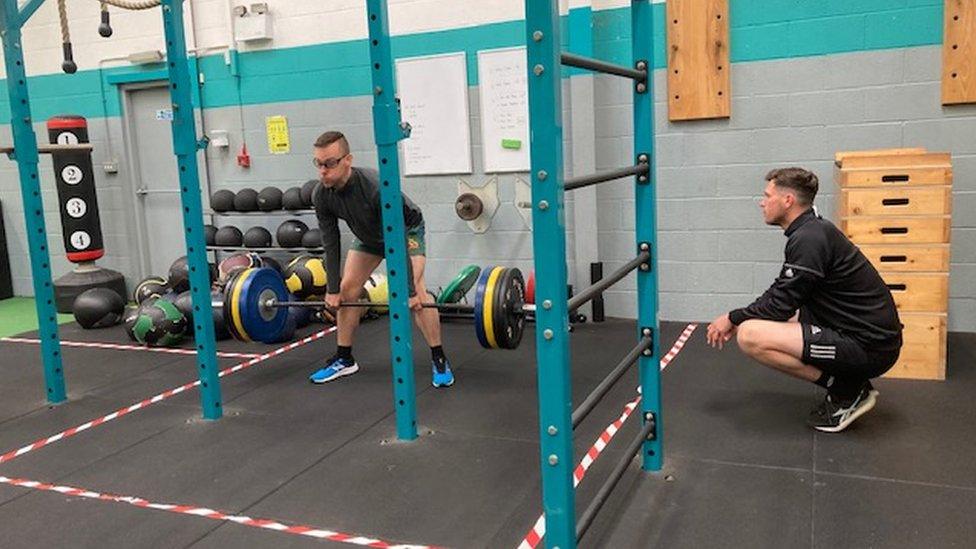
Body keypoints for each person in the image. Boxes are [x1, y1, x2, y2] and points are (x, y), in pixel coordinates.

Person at [706, 167, 902, 433]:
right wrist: (742, 315)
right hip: (854, 331)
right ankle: (847, 385)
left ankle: (847, 390)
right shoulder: (812, 229)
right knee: (758, 321)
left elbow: (778, 305)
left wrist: (731, 317)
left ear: (787, 201)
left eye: (767, 195)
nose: (761, 202)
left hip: (869, 347)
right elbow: (782, 295)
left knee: (750, 334)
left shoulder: (810, 238)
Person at [307, 131, 454, 388]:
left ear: (347, 160)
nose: (323, 171)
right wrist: (331, 290)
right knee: (347, 292)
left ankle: (438, 357)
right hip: (369, 237)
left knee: (418, 295)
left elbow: (396, 238)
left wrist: (407, 291)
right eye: (318, 164)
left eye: (330, 163)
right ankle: (344, 358)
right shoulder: (321, 195)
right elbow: (331, 242)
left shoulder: (374, 188)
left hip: (406, 230)